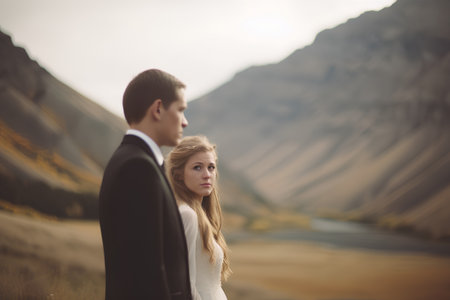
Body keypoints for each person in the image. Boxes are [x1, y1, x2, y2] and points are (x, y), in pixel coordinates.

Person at [98, 69, 192, 300]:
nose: (185, 122)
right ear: (158, 109)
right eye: (180, 110)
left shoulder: (132, 160)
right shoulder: (137, 168)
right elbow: (145, 273)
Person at [166, 136, 232, 300]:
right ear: (178, 175)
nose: (207, 175)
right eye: (197, 168)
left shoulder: (201, 216)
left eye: (211, 167)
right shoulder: (186, 215)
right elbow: (186, 287)